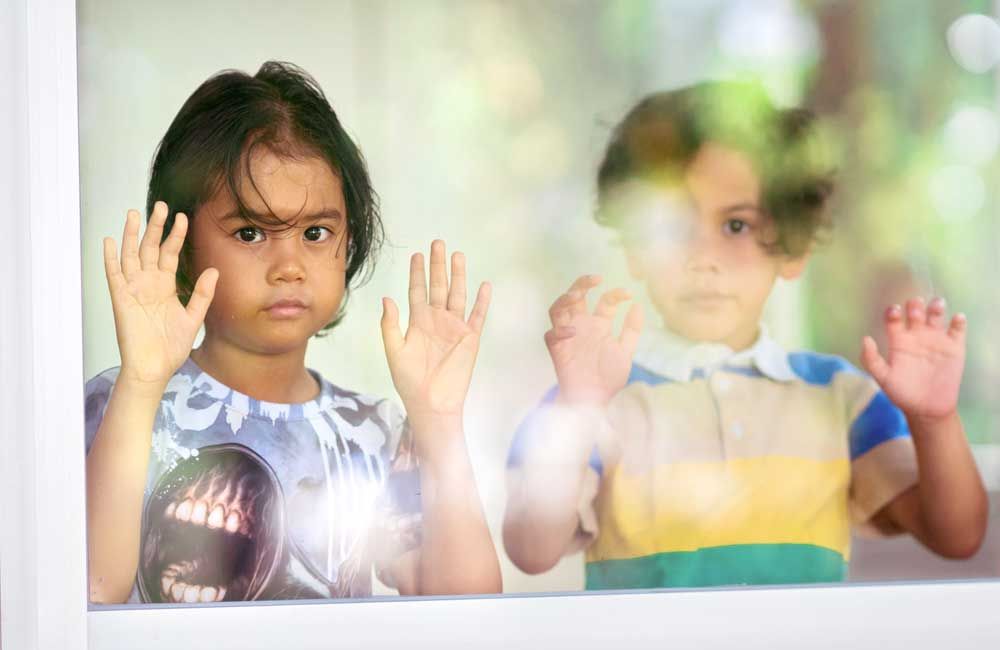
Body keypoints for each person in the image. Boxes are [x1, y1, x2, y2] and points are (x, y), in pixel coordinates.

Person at [503, 81, 987, 590]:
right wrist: (579, 406)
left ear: (794, 248)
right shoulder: (592, 399)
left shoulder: (842, 398)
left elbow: (956, 536)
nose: (702, 258)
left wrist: (934, 421)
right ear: (634, 249)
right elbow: (531, 550)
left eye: (736, 226)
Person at [85, 61, 501, 604]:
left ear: (348, 244)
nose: (290, 265)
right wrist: (141, 382)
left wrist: (440, 426)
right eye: (252, 231)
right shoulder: (124, 402)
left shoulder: (374, 432)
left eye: (315, 232)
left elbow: (465, 612)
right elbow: (89, 591)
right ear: (182, 250)